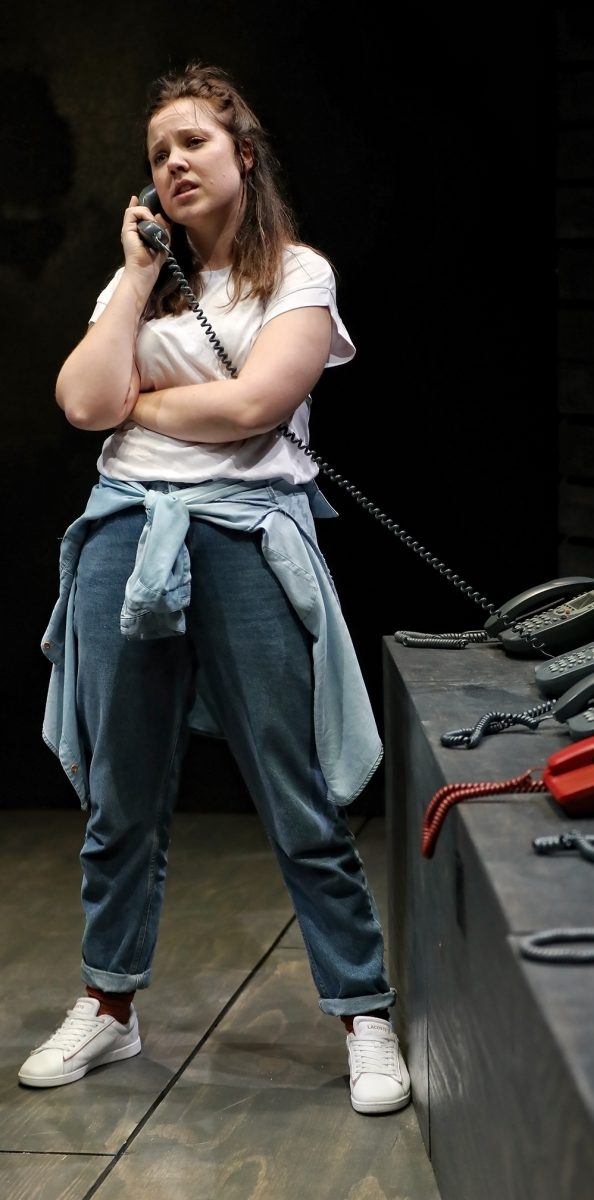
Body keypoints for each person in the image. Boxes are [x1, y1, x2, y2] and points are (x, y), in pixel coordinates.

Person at [19, 61, 411, 1117]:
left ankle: (363, 1011)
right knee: (120, 796)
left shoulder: (298, 274)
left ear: (244, 151)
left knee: (296, 792)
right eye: (157, 153)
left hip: (246, 535)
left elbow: (252, 406)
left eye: (192, 141)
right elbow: (81, 400)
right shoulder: (137, 286)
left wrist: (141, 402)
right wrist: (135, 277)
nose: (173, 163)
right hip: (124, 532)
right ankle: (109, 1005)